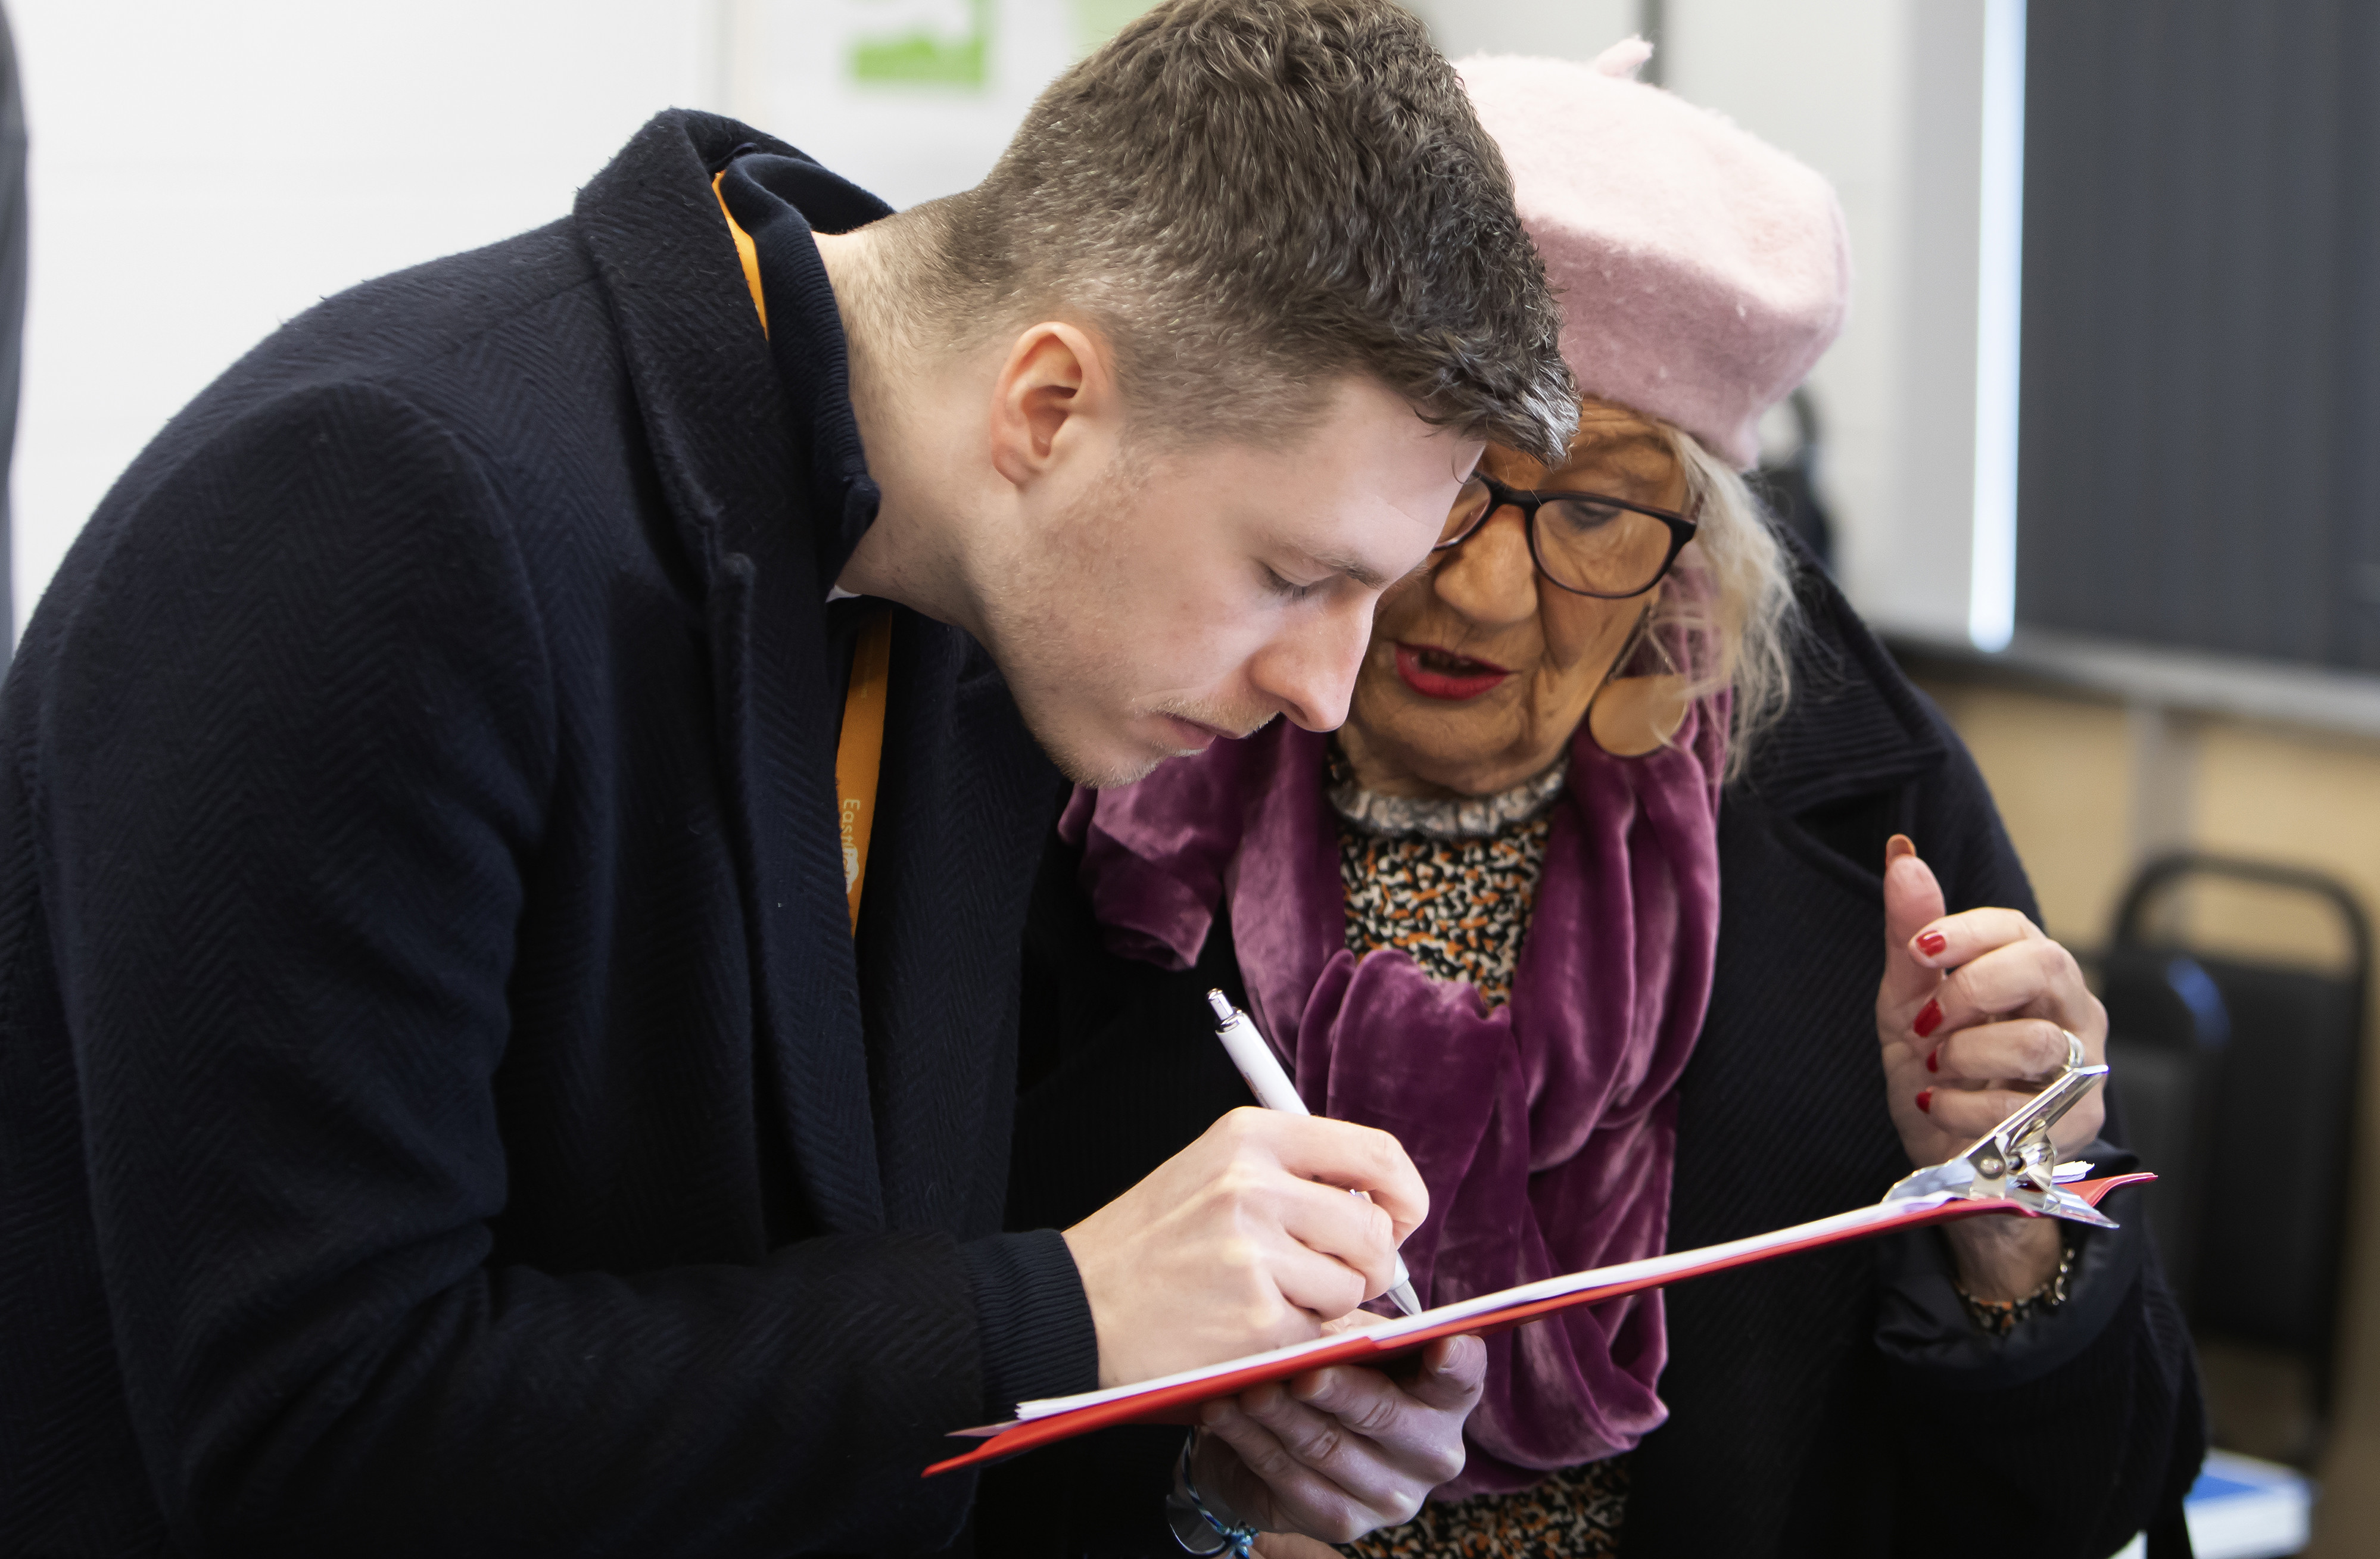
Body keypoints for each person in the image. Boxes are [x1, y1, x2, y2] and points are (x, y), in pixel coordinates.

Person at [0, 4, 1585, 1553]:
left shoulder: (980, 599)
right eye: (1289, 572)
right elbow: (317, 1427)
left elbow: (820, 1362)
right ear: (1049, 407)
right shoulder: (382, 515)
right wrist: (1060, 1315)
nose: (1321, 690)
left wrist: (1202, 1450)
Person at [995, 43, 2204, 1559]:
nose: (1487, 591)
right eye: (1442, 482)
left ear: (1696, 555)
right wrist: (1193, 1508)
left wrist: (2010, 1222)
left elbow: (2090, 1500)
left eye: (1591, 506)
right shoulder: (1090, 770)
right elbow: (913, 1377)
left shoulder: (1866, 816)